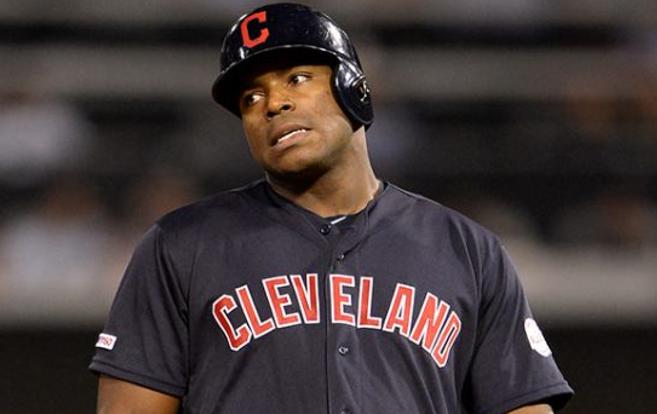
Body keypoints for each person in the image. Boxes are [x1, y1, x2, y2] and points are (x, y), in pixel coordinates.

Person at [89, 3, 573, 413]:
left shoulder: (467, 250)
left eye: (297, 79)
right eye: (251, 97)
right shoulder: (181, 246)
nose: (273, 104)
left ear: (353, 88)